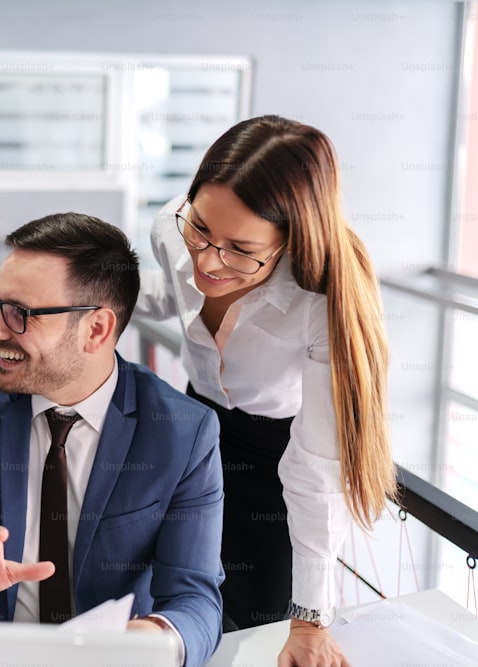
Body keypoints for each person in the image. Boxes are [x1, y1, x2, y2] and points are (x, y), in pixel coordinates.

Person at [0, 213, 225, 667]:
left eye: (21, 314)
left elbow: (196, 600)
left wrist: (150, 640)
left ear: (96, 329)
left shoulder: (183, 434)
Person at [135, 115, 396, 667]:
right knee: (168, 596)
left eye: (240, 249)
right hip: (192, 423)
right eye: (201, 229)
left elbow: (316, 470)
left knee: (256, 624)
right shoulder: (171, 226)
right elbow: (165, 296)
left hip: (275, 452)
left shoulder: (319, 303)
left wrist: (310, 620)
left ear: (290, 241)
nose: (206, 261)